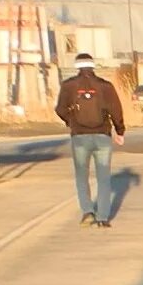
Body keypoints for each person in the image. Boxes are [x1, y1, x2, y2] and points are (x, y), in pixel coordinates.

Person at [54, 54, 126, 226]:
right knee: (103, 177)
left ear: (77, 66)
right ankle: (103, 218)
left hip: (79, 136)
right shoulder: (105, 86)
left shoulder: (68, 86)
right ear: (93, 66)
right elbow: (116, 109)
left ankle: (87, 211)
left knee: (81, 175)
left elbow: (60, 109)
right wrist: (120, 130)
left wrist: (70, 121)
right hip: (102, 136)